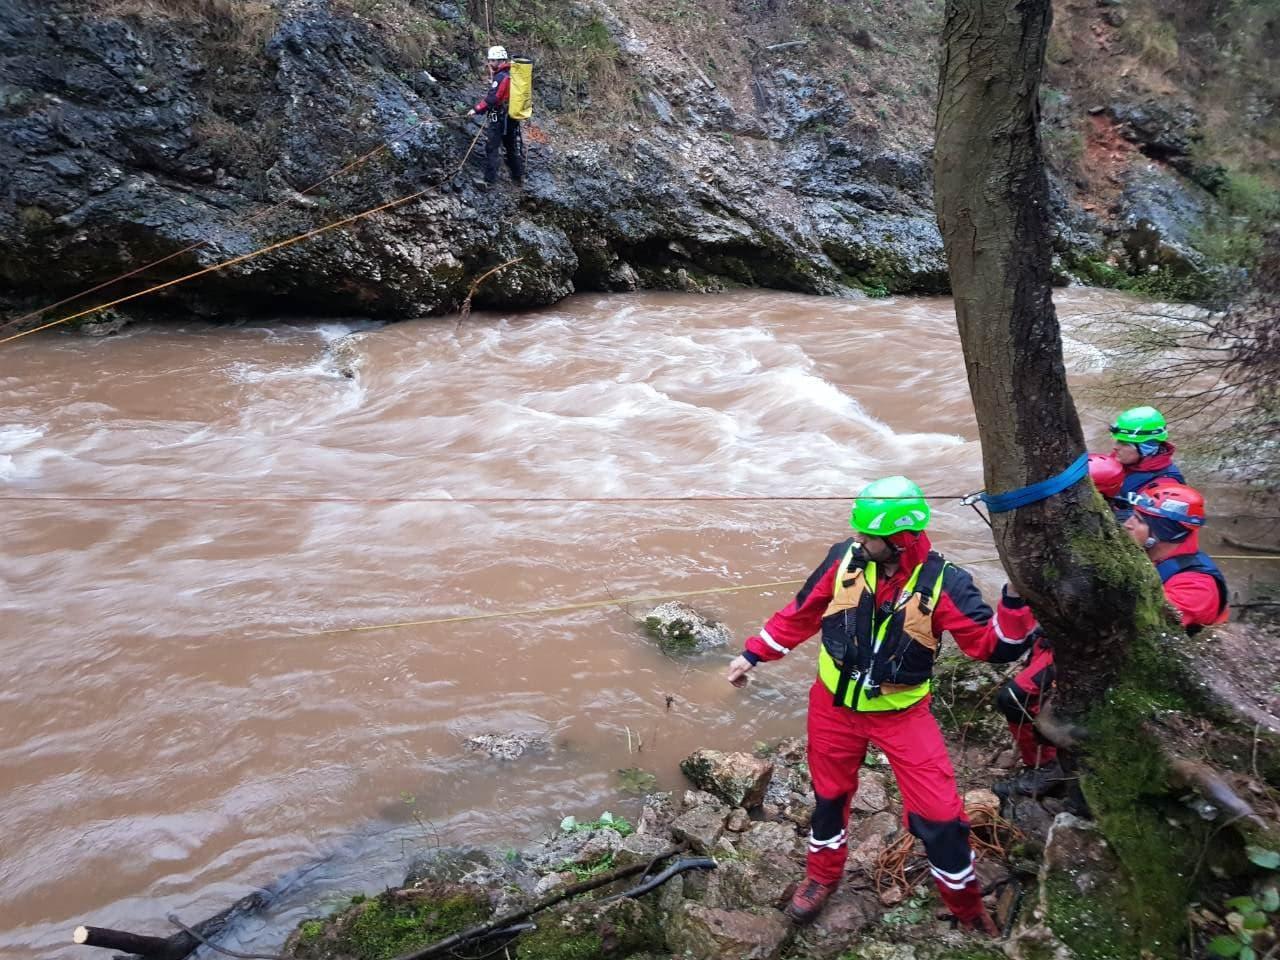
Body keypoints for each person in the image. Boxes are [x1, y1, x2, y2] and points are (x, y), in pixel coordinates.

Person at [726, 476, 1038, 934]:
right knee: (829, 799)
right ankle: (821, 876)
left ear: (900, 540)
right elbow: (802, 613)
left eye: (869, 535)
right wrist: (753, 654)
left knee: (941, 819)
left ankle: (967, 907)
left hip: (902, 716)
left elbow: (993, 646)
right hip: (832, 707)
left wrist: (1014, 602)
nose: (859, 539)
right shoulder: (844, 561)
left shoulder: (947, 584)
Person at [993, 453, 1127, 800]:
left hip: (1088, 642)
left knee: (1017, 699)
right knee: (1022, 699)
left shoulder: (1115, 541)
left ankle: (1048, 767)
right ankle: (1041, 759)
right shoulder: (1080, 531)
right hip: (1059, 634)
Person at [1124, 482, 1230, 632]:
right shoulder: (1153, 554)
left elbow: (1143, 622)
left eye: (1139, 520)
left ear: (1164, 532)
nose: (1127, 525)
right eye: (1132, 516)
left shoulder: (1197, 587)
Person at [468, 45, 525, 187]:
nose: (490, 64)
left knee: (492, 147)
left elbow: (493, 99)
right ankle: (518, 176)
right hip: (512, 117)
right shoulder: (512, 74)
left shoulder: (501, 77)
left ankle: (489, 180)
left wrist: (476, 109)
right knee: (511, 146)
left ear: (499, 60)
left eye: (492, 61)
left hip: (499, 117)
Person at [1109, 406, 1184, 514]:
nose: (1115, 447)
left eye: (1124, 443)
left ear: (1146, 448)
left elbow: (1152, 527)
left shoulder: (1165, 485)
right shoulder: (1119, 460)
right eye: (1117, 441)